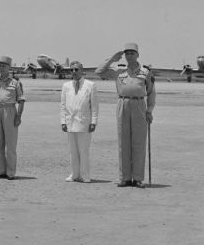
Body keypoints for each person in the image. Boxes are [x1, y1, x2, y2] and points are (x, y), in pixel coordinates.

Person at [95, 43, 156, 188]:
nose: (129, 56)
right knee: (124, 142)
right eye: (127, 53)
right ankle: (125, 178)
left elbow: (151, 92)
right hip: (123, 104)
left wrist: (149, 111)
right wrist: (112, 59)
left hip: (139, 105)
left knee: (139, 142)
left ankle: (138, 178)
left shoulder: (145, 72)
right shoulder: (119, 71)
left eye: (132, 53)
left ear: (137, 55)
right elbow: (99, 72)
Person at [60, 61, 99, 183]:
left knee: (84, 151)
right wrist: (63, 121)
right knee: (73, 152)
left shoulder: (90, 85)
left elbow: (94, 106)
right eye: (71, 70)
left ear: (82, 71)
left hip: (84, 123)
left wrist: (93, 122)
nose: (74, 72)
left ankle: (85, 175)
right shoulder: (66, 86)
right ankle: (74, 174)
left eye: (76, 69)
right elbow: (63, 105)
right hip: (70, 123)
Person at [0, 56, 25, 180]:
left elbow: (21, 100)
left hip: (9, 111)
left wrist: (18, 116)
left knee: (10, 143)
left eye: (4, 66)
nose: (1, 68)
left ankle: (10, 172)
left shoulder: (15, 83)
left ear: (9, 67)